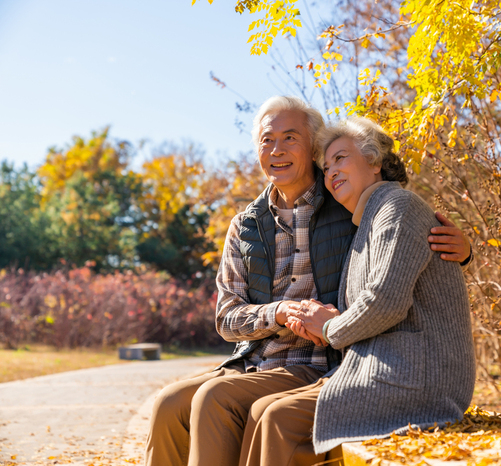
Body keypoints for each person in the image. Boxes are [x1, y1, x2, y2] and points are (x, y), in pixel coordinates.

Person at [145, 97, 471, 466]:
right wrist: (278, 313)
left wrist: (461, 248)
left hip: (320, 361)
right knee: (169, 404)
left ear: (311, 148)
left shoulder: (348, 204)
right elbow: (226, 317)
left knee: (216, 400)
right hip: (255, 362)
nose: (277, 150)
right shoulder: (246, 226)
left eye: (290, 138)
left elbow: (402, 255)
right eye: (267, 140)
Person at [238, 117, 475, 466]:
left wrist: (329, 328)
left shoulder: (398, 207)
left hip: (418, 375)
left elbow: (385, 301)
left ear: (375, 162)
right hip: (380, 367)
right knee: (261, 411)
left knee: (278, 418)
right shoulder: (366, 222)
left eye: (341, 158)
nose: (331, 170)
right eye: (327, 164)